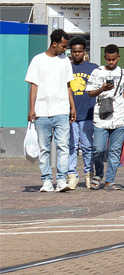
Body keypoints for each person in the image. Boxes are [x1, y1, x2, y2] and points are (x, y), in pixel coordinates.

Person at [26, 30, 74, 193]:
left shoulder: (65, 61)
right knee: (44, 148)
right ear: (54, 43)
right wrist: (32, 108)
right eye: (63, 46)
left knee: (63, 146)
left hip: (61, 110)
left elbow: (68, 85)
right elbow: (34, 85)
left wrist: (72, 106)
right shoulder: (38, 60)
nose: (65, 49)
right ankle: (46, 180)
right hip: (42, 111)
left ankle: (61, 180)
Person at [87, 45, 124, 190]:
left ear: (118, 57)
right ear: (105, 58)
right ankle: (98, 173)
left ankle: (110, 180)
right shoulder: (97, 72)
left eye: (114, 59)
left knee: (115, 150)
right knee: (98, 149)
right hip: (101, 116)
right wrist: (102, 89)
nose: (111, 62)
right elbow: (90, 93)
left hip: (119, 116)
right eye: (108, 59)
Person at [65, 37, 96, 190]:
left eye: (79, 51)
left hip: (88, 113)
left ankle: (89, 174)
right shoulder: (66, 67)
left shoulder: (93, 68)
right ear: (70, 52)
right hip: (70, 114)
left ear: (84, 51)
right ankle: (71, 175)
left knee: (87, 146)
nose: (77, 54)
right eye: (74, 51)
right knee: (71, 146)